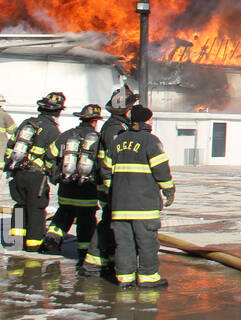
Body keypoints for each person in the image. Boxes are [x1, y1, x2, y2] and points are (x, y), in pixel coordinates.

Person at [102, 104, 174, 289]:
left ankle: (125, 279)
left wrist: (113, 192)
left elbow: (105, 171)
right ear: (146, 121)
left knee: (124, 244)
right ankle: (148, 277)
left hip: (119, 206)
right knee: (147, 243)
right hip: (144, 206)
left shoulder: (117, 141)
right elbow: (161, 170)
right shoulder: (151, 141)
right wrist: (169, 190)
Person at [82, 86, 137, 277]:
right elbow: (120, 157)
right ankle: (93, 262)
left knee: (110, 221)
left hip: (112, 183)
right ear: (125, 110)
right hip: (109, 185)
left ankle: (106, 258)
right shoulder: (115, 129)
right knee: (107, 222)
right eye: (132, 107)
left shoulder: (117, 126)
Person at [4, 92, 66, 253]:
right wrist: (55, 176)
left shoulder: (27, 123)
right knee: (36, 208)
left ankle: (16, 242)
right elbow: (51, 157)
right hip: (36, 176)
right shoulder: (53, 130)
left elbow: (11, 145)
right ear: (58, 111)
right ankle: (33, 244)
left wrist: (9, 167)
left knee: (20, 205)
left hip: (17, 172)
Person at [42, 104, 104, 260]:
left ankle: (52, 240)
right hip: (87, 189)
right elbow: (102, 163)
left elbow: (50, 154)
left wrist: (55, 174)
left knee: (63, 214)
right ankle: (83, 251)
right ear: (94, 121)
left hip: (66, 186)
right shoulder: (98, 139)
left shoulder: (67, 135)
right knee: (86, 219)